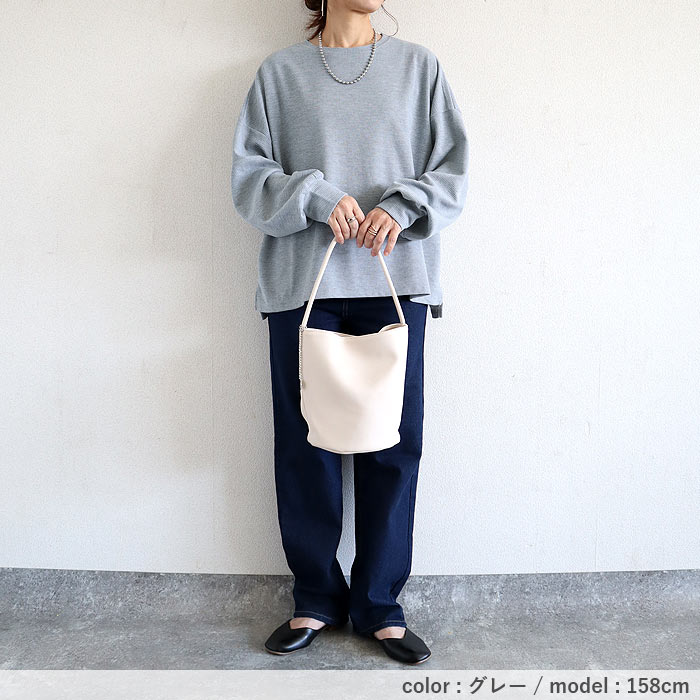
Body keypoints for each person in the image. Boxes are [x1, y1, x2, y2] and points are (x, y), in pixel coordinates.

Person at [230, 0, 469, 664]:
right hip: (303, 289)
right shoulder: (279, 75)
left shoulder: (418, 68)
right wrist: (314, 196)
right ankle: (314, 597)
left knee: (393, 446)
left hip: (396, 284)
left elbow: (452, 172)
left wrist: (403, 205)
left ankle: (380, 606)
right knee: (305, 446)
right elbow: (249, 181)